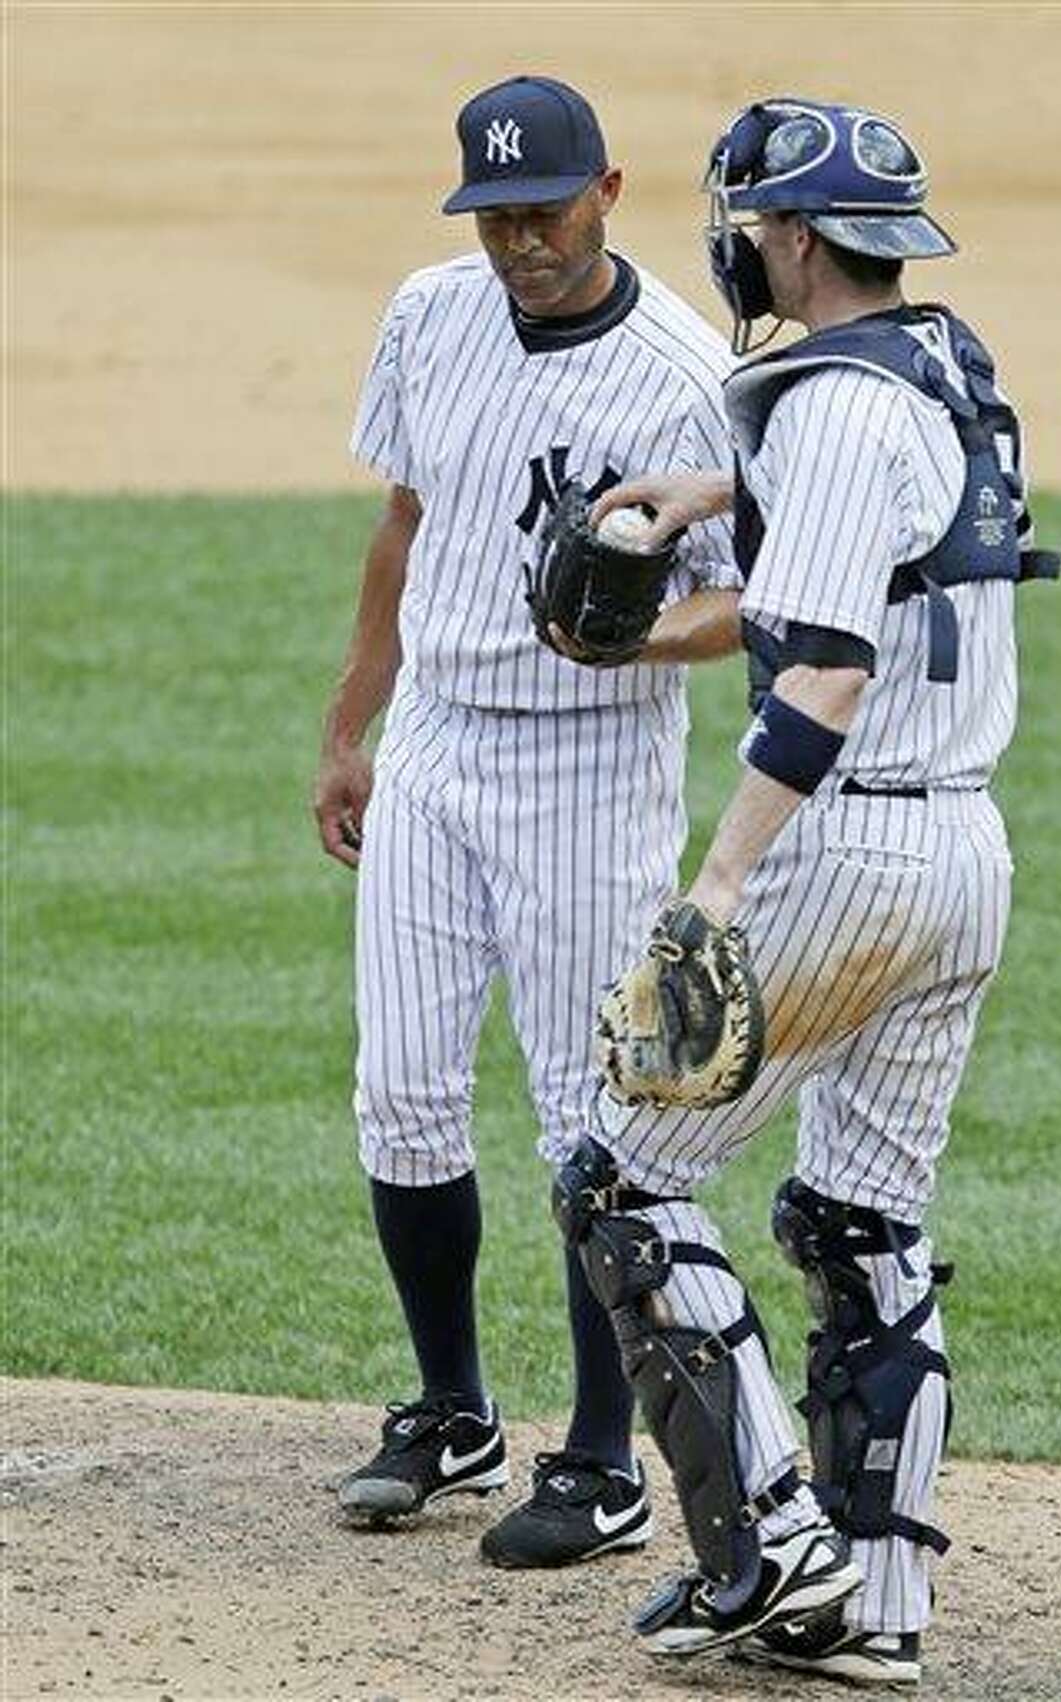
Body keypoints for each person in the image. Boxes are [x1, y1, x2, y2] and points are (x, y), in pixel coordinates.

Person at [556, 97, 1060, 1676]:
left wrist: (717, 881)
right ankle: (879, 1612)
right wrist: (716, 495)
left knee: (623, 1183)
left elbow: (826, 670)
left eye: (746, 221)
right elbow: (888, 543)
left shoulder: (833, 415)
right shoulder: (937, 373)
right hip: (965, 853)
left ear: (785, 235)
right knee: (862, 1220)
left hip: (844, 856)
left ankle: (771, 1550)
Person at [312, 74, 743, 1571]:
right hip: (435, 745)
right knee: (405, 1089)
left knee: (591, 1116)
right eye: (494, 218)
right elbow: (405, 524)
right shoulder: (430, 313)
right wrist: (350, 726)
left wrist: (641, 640)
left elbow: (757, 596)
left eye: (545, 213)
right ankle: (450, 1407)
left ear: (610, 191)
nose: (520, 244)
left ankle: (603, 1456)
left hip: (588, 768)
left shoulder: (694, 374)